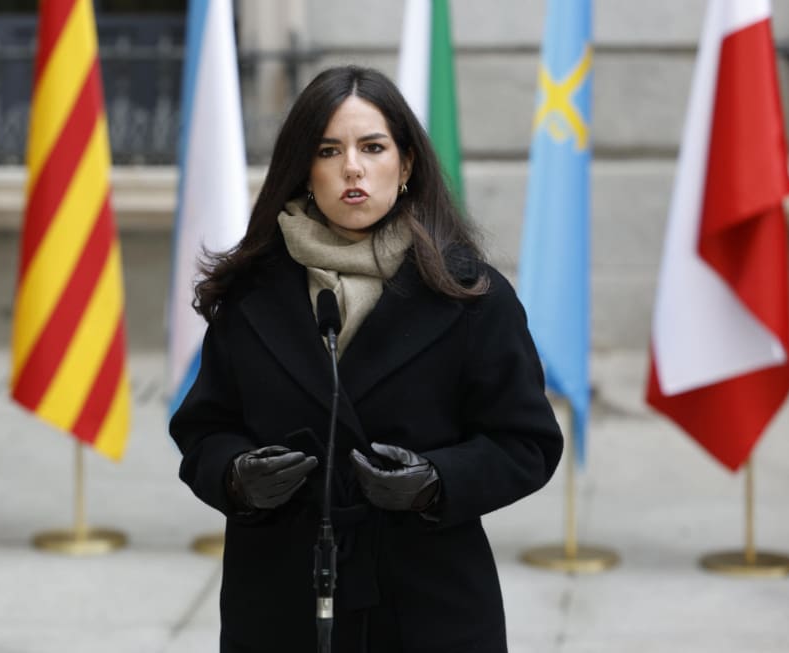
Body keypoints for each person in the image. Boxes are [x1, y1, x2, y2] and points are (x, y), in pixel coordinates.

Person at [169, 65, 563, 653]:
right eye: (329, 150)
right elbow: (203, 429)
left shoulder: (471, 295)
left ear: (405, 166)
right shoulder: (251, 292)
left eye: (372, 147)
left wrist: (436, 483)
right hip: (281, 602)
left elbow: (527, 443)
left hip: (426, 603)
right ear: (305, 168)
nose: (352, 167)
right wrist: (236, 477)